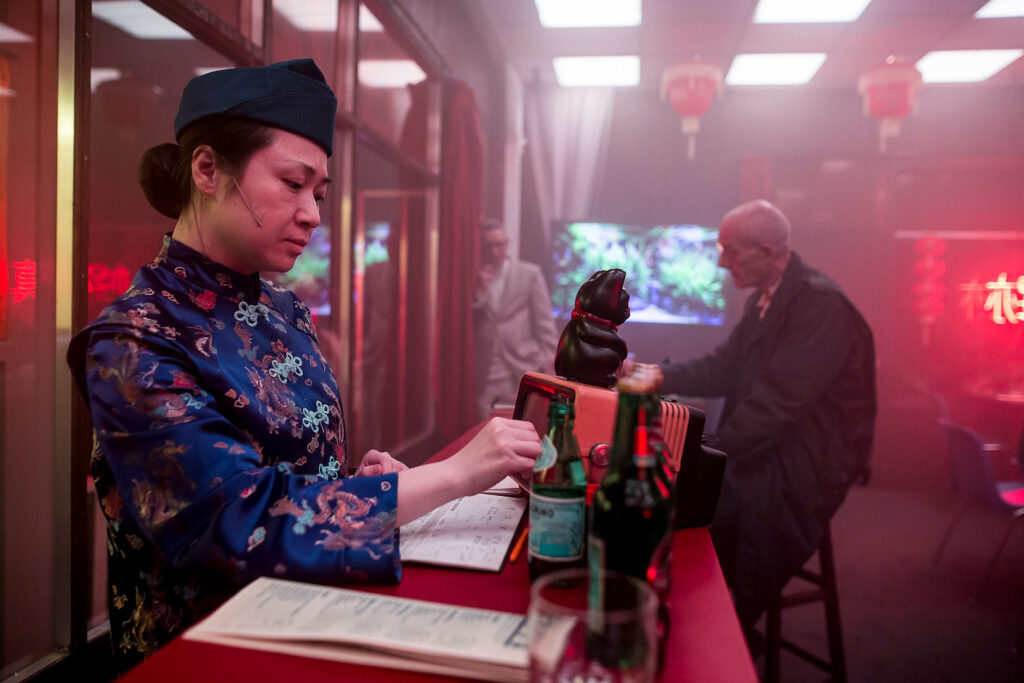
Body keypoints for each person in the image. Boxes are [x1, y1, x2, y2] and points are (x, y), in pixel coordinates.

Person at [67, 59, 541, 670]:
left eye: (318, 193)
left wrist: (368, 482)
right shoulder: (135, 339)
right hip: (209, 655)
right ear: (207, 169)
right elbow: (235, 519)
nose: (314, 214)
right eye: (293, 184)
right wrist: (451, 476)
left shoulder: (286, 312)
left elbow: (303, 472)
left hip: (320, 619)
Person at [659, 199, 876, 647]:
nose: (721, 261)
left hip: (808, 461)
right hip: (773, 441)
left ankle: (719, 635)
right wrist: (656, 375)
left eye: (731, 250)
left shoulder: (821, 305)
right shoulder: (766, 299)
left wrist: (707, 454)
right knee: (678, 490)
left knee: (697, 505)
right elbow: (723, 368)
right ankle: (700, 624)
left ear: (769, 252)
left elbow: (776, 405)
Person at [474, 219, 559, 419]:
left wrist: (543, 364)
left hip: (523, 364)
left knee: (522, 423)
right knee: (485, 425)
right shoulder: (472, 276)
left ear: (507, 243)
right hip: (485, 369)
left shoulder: (529, 274)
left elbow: (546, 326)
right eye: (488, 246)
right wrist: (480, 289)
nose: (494, 252)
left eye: (499, 245)